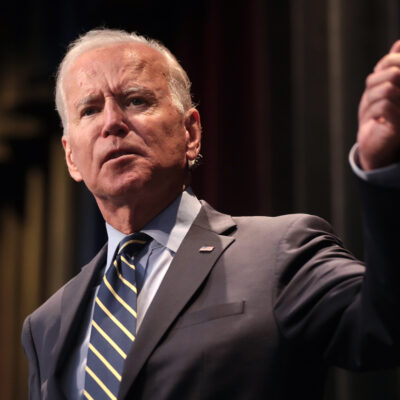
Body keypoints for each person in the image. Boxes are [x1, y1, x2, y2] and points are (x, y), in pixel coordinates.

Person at [21, 28, 400, 400]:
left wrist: (383, 169)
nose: (112, 123)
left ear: (191, 133)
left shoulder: (278, 253)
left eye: (136, 100)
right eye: (90, 109)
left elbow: (383, 326)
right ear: (71, 156)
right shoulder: (47, 324)